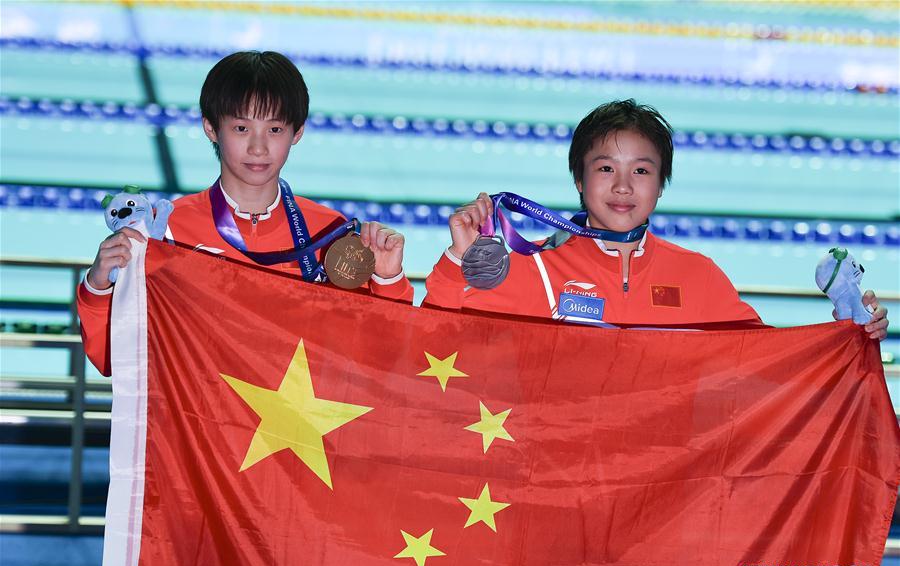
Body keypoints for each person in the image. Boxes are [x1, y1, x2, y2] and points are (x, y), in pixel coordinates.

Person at [424, 99, 889, 338]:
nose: (623, 186)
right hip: (552, 489)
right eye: (605, 168)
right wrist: (458, 257)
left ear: (661, 184)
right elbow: (443, 336)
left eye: (641, 171)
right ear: (579, 181)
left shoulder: (698, 277)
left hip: (660, 501)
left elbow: (763, 365)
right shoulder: (537, 270)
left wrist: (844, 336)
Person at [78, 51, 412, 376]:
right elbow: (113, 359)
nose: (258, 147)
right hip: (200, 430)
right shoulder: (164, 232)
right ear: (211, 128)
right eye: (241, 129)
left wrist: (387, 280)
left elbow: (384, 360)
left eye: (275, 130)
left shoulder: (330, 235)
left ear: (297, 133)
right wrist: (98, 288)